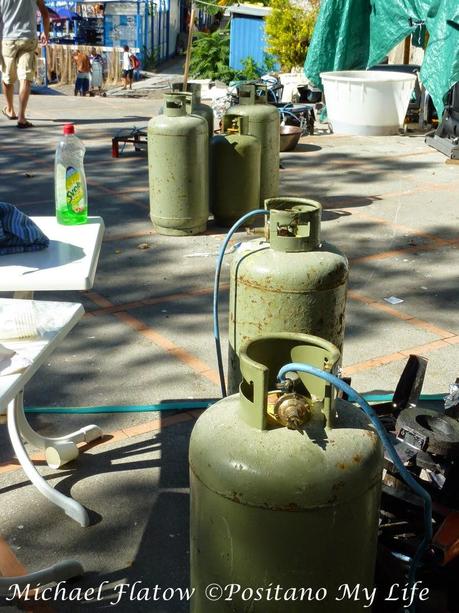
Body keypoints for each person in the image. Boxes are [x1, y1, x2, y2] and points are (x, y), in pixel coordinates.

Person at [0, 0, 49, 129]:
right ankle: (21, 117)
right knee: (25, 78)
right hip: (28, 38)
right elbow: (45, 14)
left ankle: (10, 109)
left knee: (7, 78)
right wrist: (46, 32)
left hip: (7, 39)